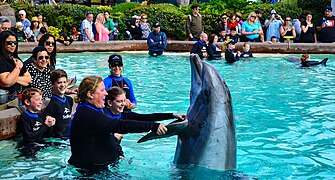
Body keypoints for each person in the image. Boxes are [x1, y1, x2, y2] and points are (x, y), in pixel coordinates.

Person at [68, 75, 167, 172]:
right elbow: (120, 125)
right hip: (91, 172)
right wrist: (152, 126)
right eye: (102, 90)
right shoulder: (88, 114)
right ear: (90, 94)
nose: (106, 93)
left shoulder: (92, 110)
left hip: (101, 168)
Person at [105, 87, 185, 158]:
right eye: (119, 101)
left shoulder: (122, 114)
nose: (123, 104)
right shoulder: (103, 116)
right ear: (109, 103)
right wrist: (111, 136)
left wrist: (172, 115)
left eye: (124, 101)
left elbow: (147, 117)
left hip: (113, 151)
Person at [18, 88, 55, 158]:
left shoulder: (40, 116)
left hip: (40, 143)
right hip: (29, 146)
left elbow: (47, 135)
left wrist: (51, 124)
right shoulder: (25, 117)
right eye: (37, 100)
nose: (41, 102)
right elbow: (29, 137)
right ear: (27, 102)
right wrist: (45, 125)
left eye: (41, 99)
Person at [0, 31, 31, 101]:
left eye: (15, 43)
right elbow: (6, 82)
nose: (13, 45)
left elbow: (29, 79)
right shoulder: (1, 60)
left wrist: (13, 78)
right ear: (2, 43)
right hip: (8, 98)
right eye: (9, 43)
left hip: (21, 95)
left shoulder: (16, 59)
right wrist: (18, 67)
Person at [43, 69, 74, 140]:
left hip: (68, 137)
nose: (62, 85)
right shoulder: (53, 104)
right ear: (52, 84)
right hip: (58, 140)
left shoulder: (69, 100)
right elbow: (48, 129)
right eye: (59, 82)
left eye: (64, 82)